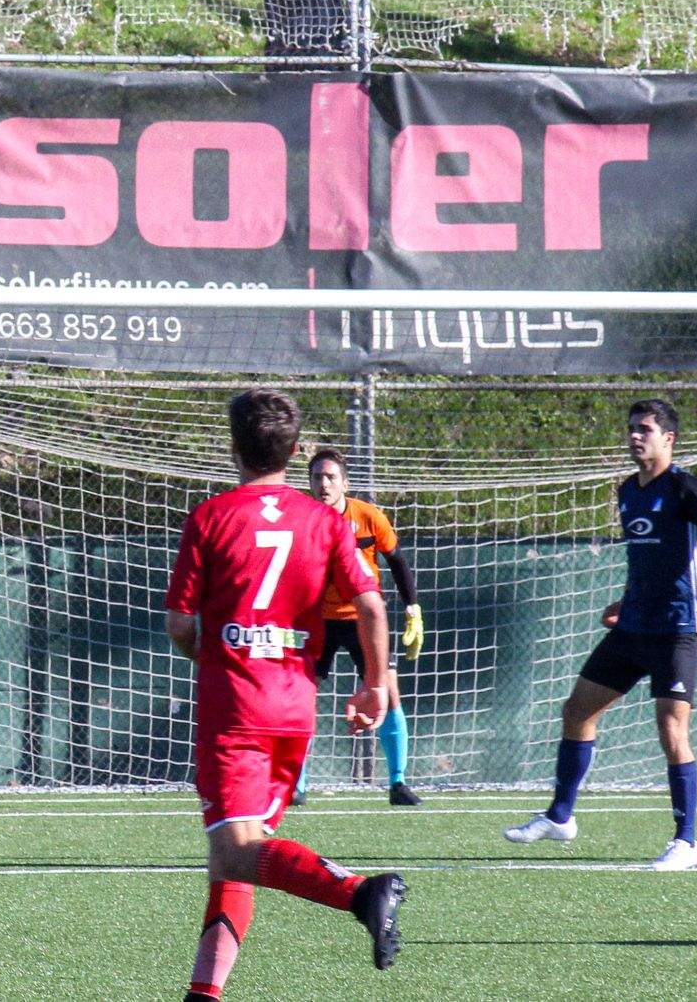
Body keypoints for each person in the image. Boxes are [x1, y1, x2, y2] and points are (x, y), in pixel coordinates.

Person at [164, 388, 407, 1000]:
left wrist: (216, 655)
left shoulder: (212, 516)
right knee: (232, 856)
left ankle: (357, 891)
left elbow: (179, 626)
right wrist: (375, 685)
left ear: (232, 447)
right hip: (296, 706)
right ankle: (204, 994)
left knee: (241, 851)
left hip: (235, 710)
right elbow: (373, 604)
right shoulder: (326, 520)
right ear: (296, 452)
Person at [505, 398, 697, 870]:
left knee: (672, 730)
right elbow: (645, 558)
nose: (636, 436)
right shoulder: (628, 491)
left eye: (646, 429)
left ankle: (687, 842)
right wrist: (627, 597)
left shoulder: (685, 488)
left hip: (677, 632)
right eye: (632, 428)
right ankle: (560, 816)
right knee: (577, 711)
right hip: (633, 627)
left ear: (668, 439)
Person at [296, 448, 423, 807]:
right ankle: (297, 784)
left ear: (344, 483)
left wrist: (412, 609)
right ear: (309, 482)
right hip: (317, 619)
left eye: (331, 477)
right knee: (301, 697)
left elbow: (397, 561)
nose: (324, 483)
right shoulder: (302, 519)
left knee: (389, 692)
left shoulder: (369, 517)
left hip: (362, 621)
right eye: (317, 477)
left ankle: (398, 783)